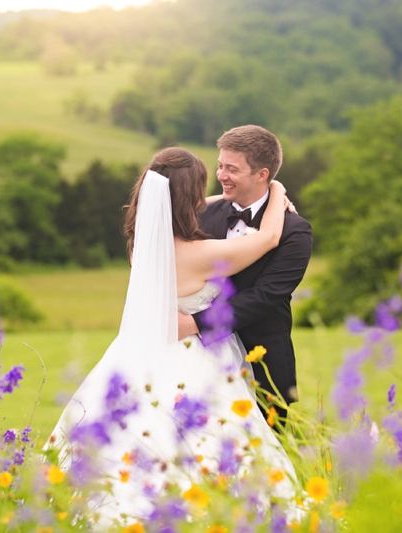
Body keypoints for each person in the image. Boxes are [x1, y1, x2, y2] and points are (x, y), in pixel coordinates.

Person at [46, 147, 298, 525]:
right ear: (190, 199)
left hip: (138, 353)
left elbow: (181, 205)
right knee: (206, 441)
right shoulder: (202, 254)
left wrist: (199, 195)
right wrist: (275, 189)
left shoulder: (141, 245)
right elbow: (269, 237)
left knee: (134, 432)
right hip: (195, 358)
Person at [179, 125, 312, 426]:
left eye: (232, 169)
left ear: (262, 174)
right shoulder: (201, 216)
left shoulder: (295, 231)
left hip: (262, 361)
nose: (221, 175)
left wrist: (194, 324)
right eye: (220, 166)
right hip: (198, 358)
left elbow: (265, 296)